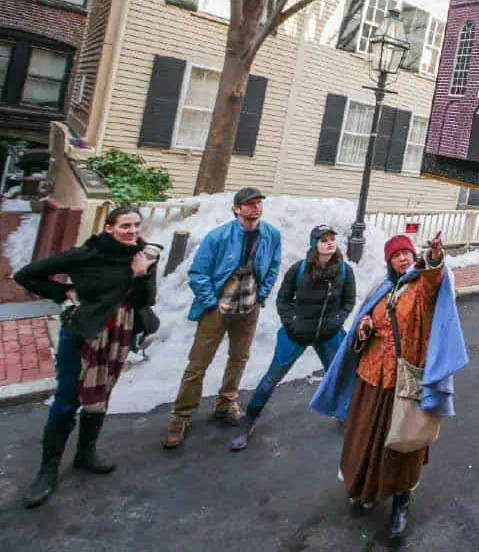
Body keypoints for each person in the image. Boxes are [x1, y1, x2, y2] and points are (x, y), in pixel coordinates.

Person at [311, 232, 468, 539]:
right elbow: (364, 323)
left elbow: (435, 281)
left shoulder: (421, 288)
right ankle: (363, 490)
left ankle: (401, 504)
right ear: (389, 262)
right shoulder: (381, 290)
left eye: (406, 254)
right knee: (364, 439)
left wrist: (434, 259)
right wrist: (365, 328)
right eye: (396, 255)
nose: (402, 259)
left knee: (402, 444)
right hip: (371, 378)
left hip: (404, 381)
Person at [13, 205, 158, 508]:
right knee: (67, 398)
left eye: (135, 225)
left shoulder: (143, 256)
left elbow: (146, 300)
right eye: (124, 226)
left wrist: (141, 275)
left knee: (100, 393)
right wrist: (64, 292)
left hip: (119, 334)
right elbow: (26, 275)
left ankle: (85, 453)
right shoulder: (86, 255)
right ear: (108, 228)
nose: (132, 231)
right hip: (83, 333)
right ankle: (47, 469)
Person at [162, 187, 281, 449]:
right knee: (198, 364)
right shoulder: (218, 236)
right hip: (218, 308)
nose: (255, 207)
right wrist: (210, 303)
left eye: (258, 203)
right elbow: (198, 273)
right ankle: (181, 416)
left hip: (249, 308)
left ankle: (226, 403)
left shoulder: (271, 235)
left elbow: (273, 265)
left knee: (239, 358)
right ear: (237, 209)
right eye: (249, 204)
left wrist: (261, 295)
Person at [229, 224, 356, 451]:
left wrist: (337, 321)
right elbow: (283, 300)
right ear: (314, 244)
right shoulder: (299, 269)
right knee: (271, 377)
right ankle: (249, 421)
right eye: (323, 239)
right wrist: (291, 322)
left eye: (332, 239)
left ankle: (344, 415)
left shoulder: (344, 271)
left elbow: (349, 300)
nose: (329, 242)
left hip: (328, 334)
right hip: (296, 333)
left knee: (338, 376)